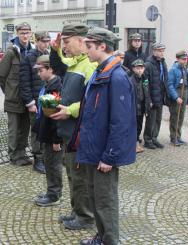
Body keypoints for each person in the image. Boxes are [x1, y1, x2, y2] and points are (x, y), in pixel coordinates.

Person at [69, 27, 136, 245]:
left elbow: (121, 122)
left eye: (88, 46)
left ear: (102, 46)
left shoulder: (116, 77)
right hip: (92, 150)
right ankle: (101, 236)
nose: (85, 50)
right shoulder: (100, 72)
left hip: (104, 155)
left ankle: (110, 241)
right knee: (95, 197)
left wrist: (110, 156)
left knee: (105, 200)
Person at [49, 23, 97, 230]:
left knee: (80, 176)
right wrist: (55, 49)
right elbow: (61, 62)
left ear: (81, 41)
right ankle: (77, 210)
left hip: (80, 132)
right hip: (70, 131)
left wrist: (70, 110)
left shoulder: (89, 65)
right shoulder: (75, 62)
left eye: (67, 42)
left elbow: (93, 101)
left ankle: (85, 217)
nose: (64, 47)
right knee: (72, 174)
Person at [0, 22, 35, 166]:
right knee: (14, 129)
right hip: (13, 98)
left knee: (25, 129)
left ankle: (22, 154)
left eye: (27, 33)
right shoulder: (11, 52)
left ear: (31, 33)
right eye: (22, 33)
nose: (25, 36)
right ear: (17, 34)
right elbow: (1, 76)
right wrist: (9, 92)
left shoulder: (32, 51)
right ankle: (14, 156)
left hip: (28, 98)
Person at [32, 55, 64, 206]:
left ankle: (54, 195)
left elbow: (56, 115)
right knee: (49, 163)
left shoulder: (55, 87)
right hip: (46, 133)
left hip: (53, 137)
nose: (38, 74)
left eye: (41, 70)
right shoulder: (48, 85)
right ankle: (52, 191)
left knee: (53, 165)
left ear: (50, 69)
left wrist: (57, 140)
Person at [19, 31, 51, 174]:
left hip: (49, 98)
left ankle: (48, 157)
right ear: (37, 41)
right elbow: (24, 82)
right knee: (37, 130)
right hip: (35, 100)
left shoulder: (50, 56)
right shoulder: (29, 57)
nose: (46, 44)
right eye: (43, 41)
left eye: (48, 41)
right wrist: (30, 102)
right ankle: (38, 159)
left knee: (49, 128)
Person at [143, 43, 168, 149]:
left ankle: (154, 138)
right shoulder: (148, 64)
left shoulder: (163, 62)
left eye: (163, 50)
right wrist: (148, 99)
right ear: (154, 51)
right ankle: (147, 140)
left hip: (160, 96)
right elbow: (145, 83)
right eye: (159, 51)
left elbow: (165, 79)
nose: (162, 52)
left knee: (158, 119)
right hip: (152, 97)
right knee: (151, 120)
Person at [167, 50, 188, 146]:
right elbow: (169, 85)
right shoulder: (173, 70)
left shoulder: (187, 69)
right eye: (183, 59)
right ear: (177, 59)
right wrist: (176, 97)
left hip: (184, 92)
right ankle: (173, 137)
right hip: (177, 92)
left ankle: (178, 136)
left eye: (186, 59)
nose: (185, 61)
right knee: (175, 116)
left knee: (181, 116)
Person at [129, 59, 152, 153]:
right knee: (133, 127)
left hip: (142, 107)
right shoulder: (131, 80)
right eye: (137, 68)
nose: (140, 70)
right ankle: (133, 144)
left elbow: (147, 92)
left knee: (139, 126)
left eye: (141, 68)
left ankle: (136, 142)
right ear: (133, 69)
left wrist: (148, 102)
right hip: (134, 107)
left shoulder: (144, 79)